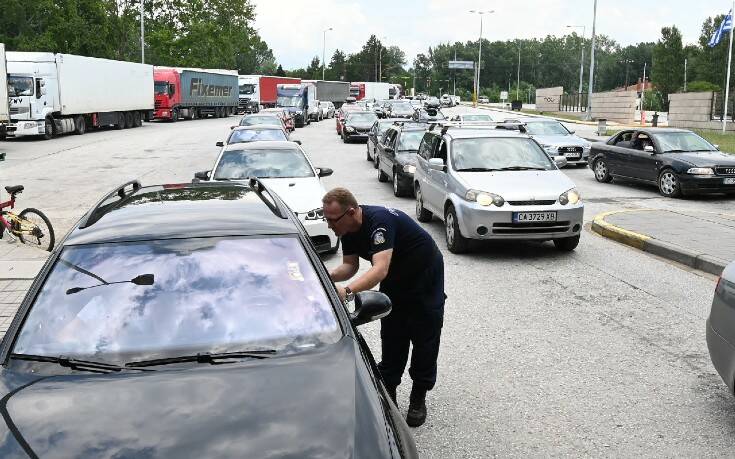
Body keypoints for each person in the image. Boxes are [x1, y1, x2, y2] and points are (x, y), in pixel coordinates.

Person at [322, 187, 445, 427]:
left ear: (351, 212)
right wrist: (324, 277)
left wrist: (346, 292)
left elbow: (379, 270)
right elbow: (349, 266)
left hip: (424, 275)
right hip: (396, 277)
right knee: (392, 332)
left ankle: (418, 396)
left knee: (425, 337)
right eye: (326, 219)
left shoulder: (380, 222)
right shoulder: (346, 228)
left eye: (332, 220)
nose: (329, 226)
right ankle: (390, 398)